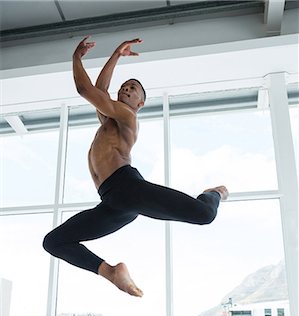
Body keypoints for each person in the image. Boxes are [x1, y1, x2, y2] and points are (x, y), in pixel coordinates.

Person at [43, 36, 228, 298]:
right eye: (124, 87)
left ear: (140, 104)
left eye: (132, 89)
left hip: (128, 188)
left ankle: (215, 193)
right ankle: (111, 272)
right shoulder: (108, 120)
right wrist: (116, 54)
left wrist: (76, 58)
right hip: (112, 202)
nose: (126, 89)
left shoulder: (127, 117)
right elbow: (100, 90)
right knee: (54, 242)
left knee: (204, 214)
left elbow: (86, 91)